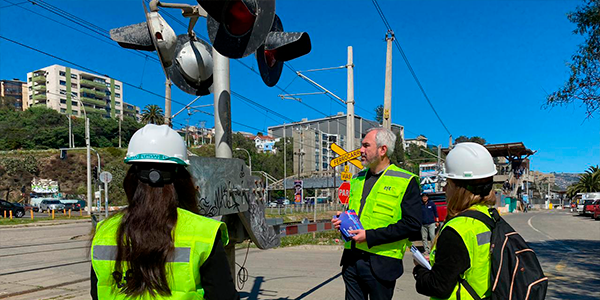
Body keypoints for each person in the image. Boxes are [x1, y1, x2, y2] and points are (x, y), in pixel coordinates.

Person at [90, 124, 239, 300]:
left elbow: (97, 293)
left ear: (131, 179)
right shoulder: (204, 233)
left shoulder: (104, 230)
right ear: (183, 181)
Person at [332, 127, 422, 300]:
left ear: (383, 150)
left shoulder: (405, 180)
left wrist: (369, 236)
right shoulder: (357, 179)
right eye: (361, 145)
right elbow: (356, 213)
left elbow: (412, 225)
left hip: (382, 264)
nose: (360, 150)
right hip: (352, 260)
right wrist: (341, 220)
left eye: (366, 146)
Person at [413, 142, 497, 300]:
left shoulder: (457, 230)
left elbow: (438, 286)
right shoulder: (491, 216)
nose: (445, 189)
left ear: (458, 188)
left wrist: (419, 270)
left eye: (447, 183)